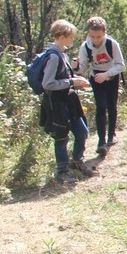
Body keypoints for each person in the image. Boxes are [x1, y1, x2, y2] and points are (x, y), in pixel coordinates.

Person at [38, 20, 95, 184]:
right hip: (56, 103)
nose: (72, 39)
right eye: (71, 37)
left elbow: (63, 77)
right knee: (61, 137)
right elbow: (47, 84)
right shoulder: (53, 57)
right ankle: (62, 171)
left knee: (82, 131)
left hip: (69, 100)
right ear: (62, 37)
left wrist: (75, 78)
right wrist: (71, 82)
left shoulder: (62, 54)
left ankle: (77, 161)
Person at [76, 16, 125, 157]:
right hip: (96, 78)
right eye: (92, 36)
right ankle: (101, 141)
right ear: (88, 34)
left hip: (112, 75)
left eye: (98, 36)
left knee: (111, 105)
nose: (96, 40)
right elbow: (82, 67)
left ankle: (112, 134)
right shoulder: (85, 47)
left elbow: (121, 65)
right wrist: (76, 67)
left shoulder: (111, 44)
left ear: (105, 32)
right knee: (101, 106)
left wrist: (107, 74)